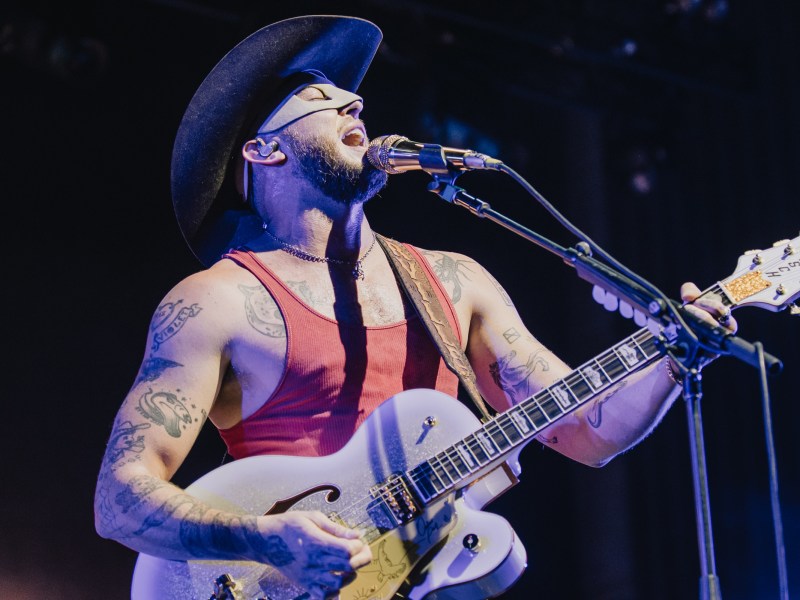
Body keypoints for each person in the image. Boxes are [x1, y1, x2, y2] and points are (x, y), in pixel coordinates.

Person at [93, 14, 737, 600]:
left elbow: (591, 431)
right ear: (264, 151)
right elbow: (119, 500)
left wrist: (674, 359)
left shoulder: (455, 283)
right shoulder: (220, 300)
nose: (355, 100)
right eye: (320, 99)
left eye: (348, 95)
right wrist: (266, 539)